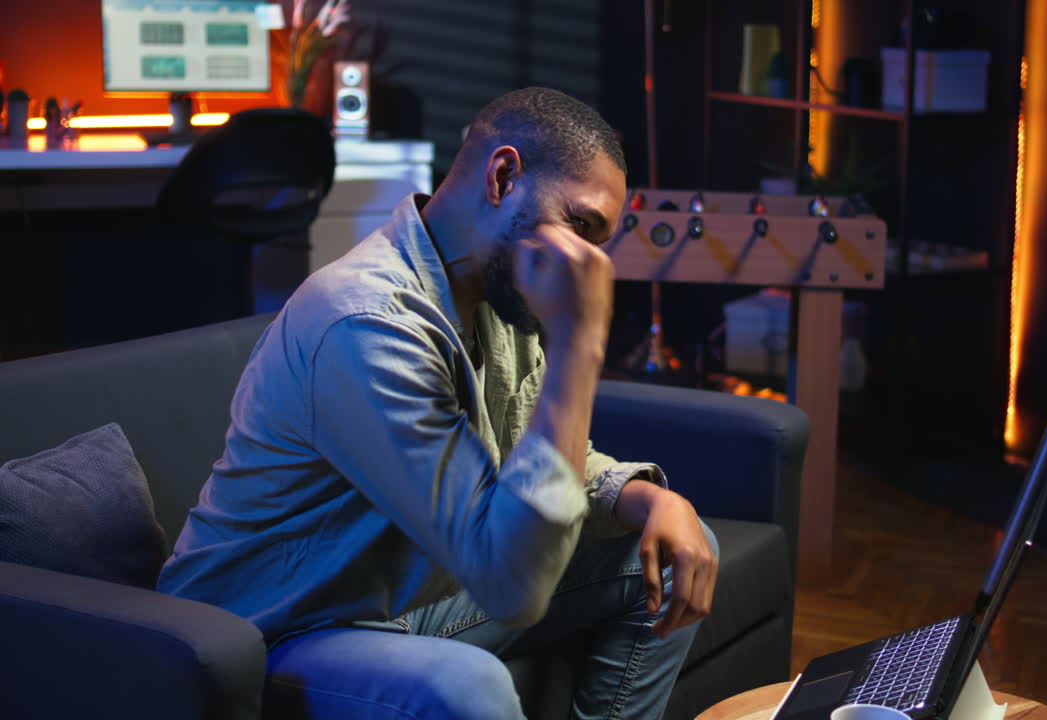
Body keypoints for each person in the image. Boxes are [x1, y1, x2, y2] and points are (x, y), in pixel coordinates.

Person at [157, 87, 719, 719]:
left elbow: (540, 463)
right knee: (465, 686)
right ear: (503, 177)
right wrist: (579, 345)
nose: (590, 264)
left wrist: (648, 498)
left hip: (403, 599)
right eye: (581, 226)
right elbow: (512, 585)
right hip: (275, 629)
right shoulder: (364, 322)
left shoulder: (505, 295)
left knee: (679, 548)